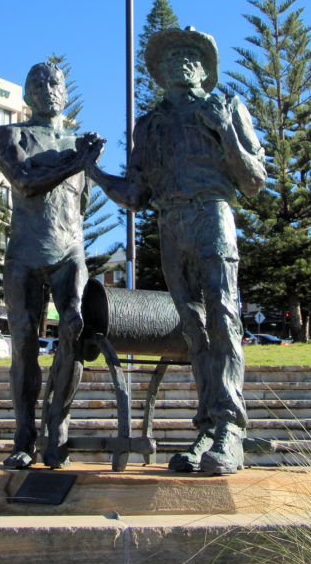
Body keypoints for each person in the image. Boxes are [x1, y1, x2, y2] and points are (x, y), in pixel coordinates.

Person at [87, 27, 266, 475]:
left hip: (212, 216)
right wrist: (93, 171)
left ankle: (230, 430)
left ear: (206, 68)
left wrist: (226, 132)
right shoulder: (149, 127)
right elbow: (136, 194)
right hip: (171, 224)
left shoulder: (225, 107)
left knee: (223, 318)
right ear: (159, 71)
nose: (180, 62)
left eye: (190, 55)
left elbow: (255, 180)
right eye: (171, 57)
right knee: (193, 331)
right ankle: (207, 426)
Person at [0, 62, 104, 469]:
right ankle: (24, 437)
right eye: (36, 82)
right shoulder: (11, 134)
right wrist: (76, 163)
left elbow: (83, 204)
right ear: (27, 94)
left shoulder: (81, 142)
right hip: (23, 254)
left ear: (65, 90)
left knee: (74, 331)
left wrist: (83, 161)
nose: (46, 88)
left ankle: (56, 427)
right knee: (24, 345)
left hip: (68, 252)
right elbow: (23, 182)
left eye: (53, 81)